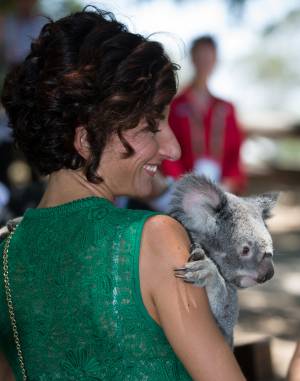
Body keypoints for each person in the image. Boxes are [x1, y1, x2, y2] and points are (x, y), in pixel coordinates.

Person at [0, 8, 246, 380]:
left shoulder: (4, 255)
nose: (173, 149)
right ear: (85, 139)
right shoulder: (153, 240)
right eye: (151, 126)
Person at [161, 35, 246, 194]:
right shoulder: (175, 106)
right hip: (182, 192)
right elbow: (166, 150)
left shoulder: (226, 109)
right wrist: (181, 184)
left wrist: (228, 185)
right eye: (201, 55)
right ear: (193, 58)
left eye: (210, 56)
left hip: (220, 192)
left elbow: (235, 154)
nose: (205, 61)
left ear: (216, 60)